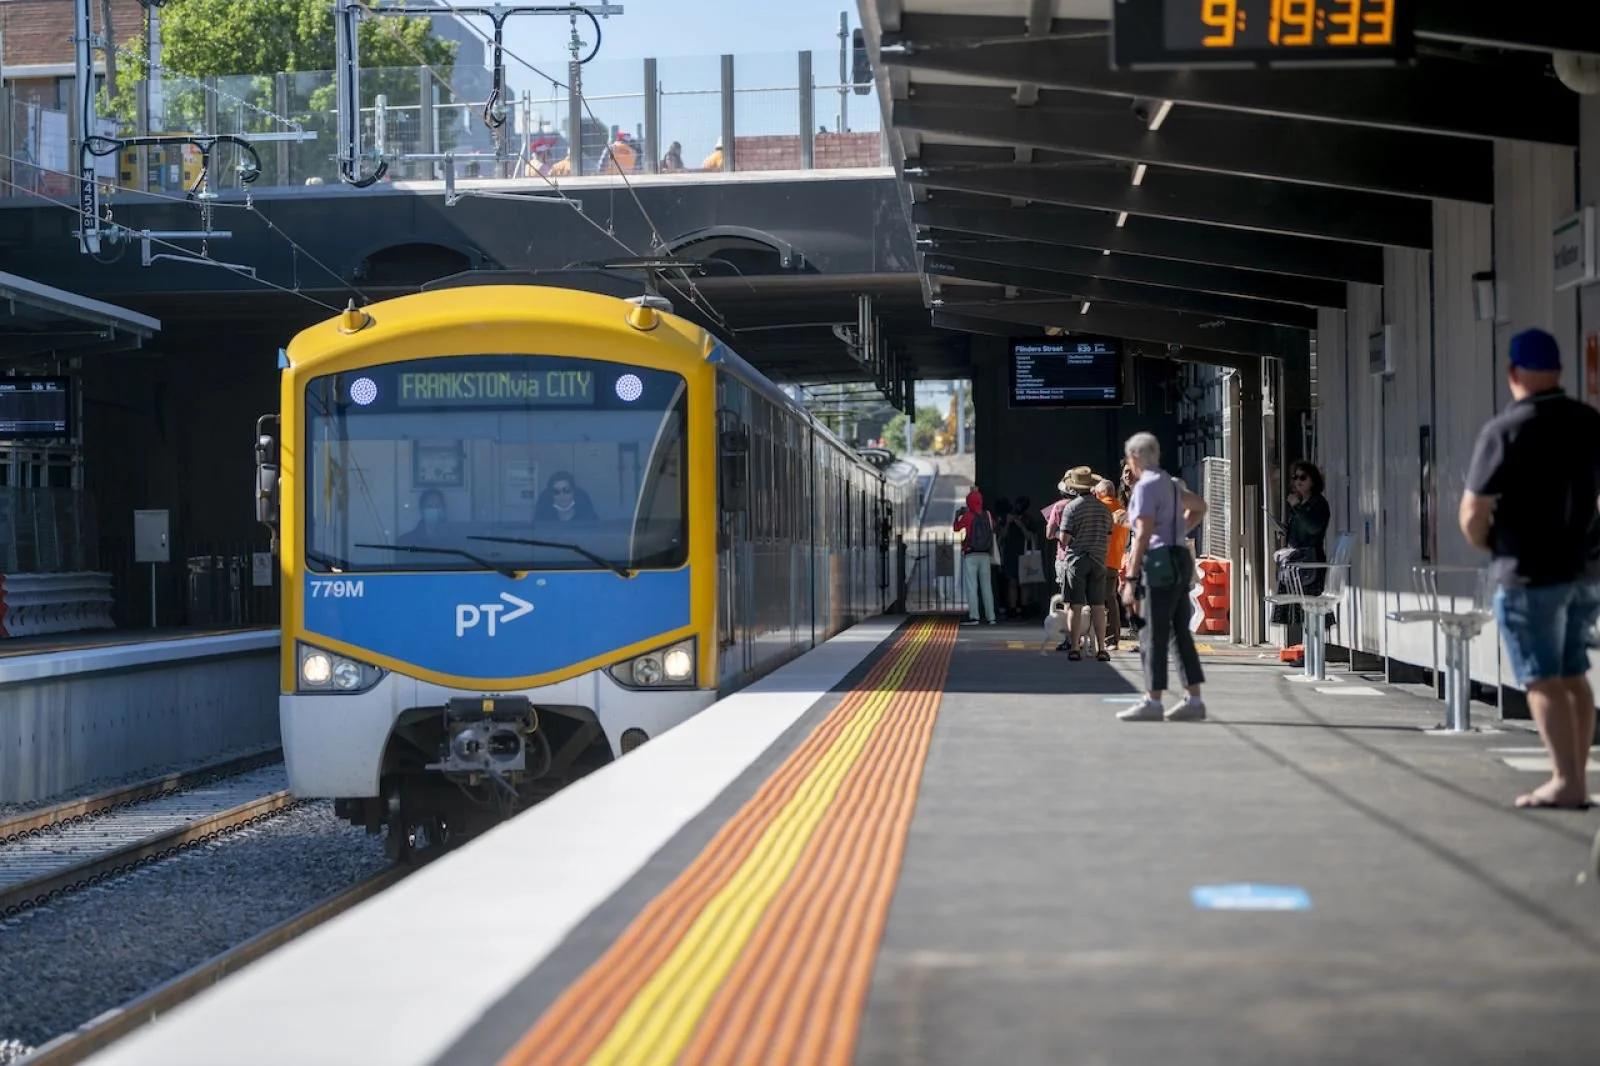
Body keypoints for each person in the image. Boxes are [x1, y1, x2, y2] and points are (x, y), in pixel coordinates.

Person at [1460, 327, 1600, 809]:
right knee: (1573, 674)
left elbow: (1473, 514)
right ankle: (1575, 778)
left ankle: (1566, 781)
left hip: (1528, 572)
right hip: (1583, 572)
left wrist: (1491, 544)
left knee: (1542, 679)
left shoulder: (1505, 430)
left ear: (1512, 372)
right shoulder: (1589, 421)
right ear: (1559, 370)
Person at [1118, 432, 1208, 722]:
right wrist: (1181, 529)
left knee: (1152, 632)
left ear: (1133, 459)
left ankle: (1152, 701)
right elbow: (1200, 507)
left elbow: (1142, 534)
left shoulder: (1145, 487)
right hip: (1181, 557)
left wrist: (1130, 580)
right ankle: (1194, 699)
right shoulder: (1170, 482)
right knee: (1180, 631)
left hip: (1158, 561)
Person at [1054, 466, 1115, 661]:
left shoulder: (1071, 508)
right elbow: (1108, 537)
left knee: (1075, 605)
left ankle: (1074, 648)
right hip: (1098, 560)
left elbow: (1064, 538)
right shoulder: (1104, 509)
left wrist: (1061, 536)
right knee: (1098, 606)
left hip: (1077, 561)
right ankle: (1101, 648)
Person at [1270, 460, 1332, 644]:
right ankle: (1306, 651)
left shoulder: (1318, 503)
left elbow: (1313, 528)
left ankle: (1312, 652)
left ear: (1313, 480)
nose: (1298, 481)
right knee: (1300, 607)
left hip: (1310, 560)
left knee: (1311, 605)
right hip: (1297, 560)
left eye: (1303, 478)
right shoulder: (1303, 502)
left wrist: (1297, 507)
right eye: (1295, 477)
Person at [953, 489, 997, 626]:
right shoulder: (988, 515)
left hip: (970, 555)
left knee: (972, 587)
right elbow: (993, 528)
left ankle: (974, 617)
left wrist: (957, 516)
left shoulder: (968, 516)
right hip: (985, 555)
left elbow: (956, 528)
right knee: (987, 587)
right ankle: (991, 617)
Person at [1095, 478, 1129, 649]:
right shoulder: (1121, 509)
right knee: (1111, 597)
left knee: (1098, 600)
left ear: (1100, 493)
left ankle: (1101, 636)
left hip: (1099, 559)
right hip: (1115, 560)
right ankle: (1113, 637)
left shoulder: (1100, 508)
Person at [534, 471, 599, 524]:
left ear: (574, 492)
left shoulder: (588, 517)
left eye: (567, 491)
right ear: (551, 495)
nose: (562, 495)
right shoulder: (542, 519)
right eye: (556, 492)